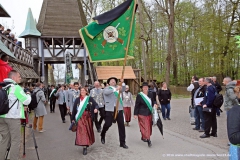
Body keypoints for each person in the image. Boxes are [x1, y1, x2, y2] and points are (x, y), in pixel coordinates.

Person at [0, 70, 31, 160]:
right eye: (19, 77)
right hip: (13, 118)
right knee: (15, 141)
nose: (20, 78)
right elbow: (26, 101)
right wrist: (28, 94)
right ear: (13, 78)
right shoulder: (16, 87)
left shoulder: (3, 87)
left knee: (4, 140)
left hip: (2, 116)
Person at [101, 77, 128, 149]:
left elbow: (123, 89)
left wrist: (123, 82)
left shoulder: (118, 88)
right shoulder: (106, 89)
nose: (113, 81)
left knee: (121, 126)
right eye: (111, 81)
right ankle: (103, 133)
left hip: (118, 109)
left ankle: (122, 143)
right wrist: (116, 89)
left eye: (114, 81)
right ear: (109, 83)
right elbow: (106, 93)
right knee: (108, 124)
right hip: (110, 109)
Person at [71, 87, 98, 155]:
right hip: (80, 118)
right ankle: (84, 147)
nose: (82, 91)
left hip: (88, 118)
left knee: (88, 131)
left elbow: (96, 105)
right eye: (81, 90)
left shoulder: (89, 98)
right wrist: (72, 119)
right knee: (83, 132)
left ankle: (87, 142)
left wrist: (96, 109)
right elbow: (74, 110)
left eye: (83, 90)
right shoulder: (77, 100)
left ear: (86, 91)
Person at [134, 82, 157, 147]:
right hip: (142, 113)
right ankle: (148, 140)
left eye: (146, 87)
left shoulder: (151, 94)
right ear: (142, 88)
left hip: (149, 113)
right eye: (144, 87)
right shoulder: (139, 95)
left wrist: (155, 104)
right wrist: (135, 114)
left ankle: (144, 136)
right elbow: (137, 105)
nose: (145, 88)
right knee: (146, 126)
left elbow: (153, 101)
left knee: (149, 126)